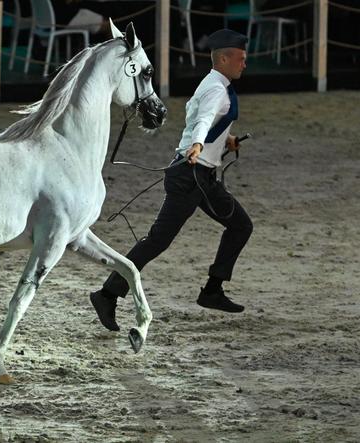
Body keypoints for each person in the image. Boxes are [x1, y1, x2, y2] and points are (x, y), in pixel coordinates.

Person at [90, 28, 254, 332]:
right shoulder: (218, 90)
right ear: (224, 57)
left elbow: (200, 119)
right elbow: (203, 122)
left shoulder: (212, 83)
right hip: (189, 176)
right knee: (157, 240)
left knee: (240, 225)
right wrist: (199, 145)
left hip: (200, 175)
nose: (245, 63)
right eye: (241, 58)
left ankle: (212, 291)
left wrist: (225, 139)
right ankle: (107, 294)